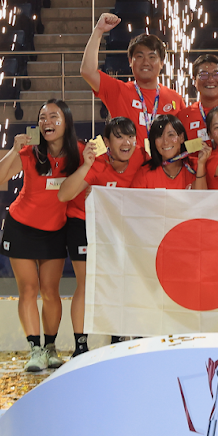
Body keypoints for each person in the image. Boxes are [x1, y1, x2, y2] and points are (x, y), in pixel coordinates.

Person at [0, 99, 82, 373]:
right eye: (42, 117)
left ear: (66, 121)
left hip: (55, 231)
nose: (47, 122)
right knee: (29, 290)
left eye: (54, 116)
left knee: (50, 291)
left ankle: (50, 348)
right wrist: (13, 151)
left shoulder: (78, 152)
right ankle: (35, 349)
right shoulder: (29, 152)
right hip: (21, 228)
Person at [58, 117, 147, 355]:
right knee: (86, 282)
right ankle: (80, 346)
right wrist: (86, 166)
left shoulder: (141, 155)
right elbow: (63, 195)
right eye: (119, 137)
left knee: (121, 280)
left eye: (130, 136)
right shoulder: (97, 162)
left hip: (117, 226)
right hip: (84, 223)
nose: (126, 142)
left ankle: (118, 337)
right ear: (106, 142)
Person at [81, 13, 184, 144]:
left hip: (164, 157)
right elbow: (87, 71)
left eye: (152, 57)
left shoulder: (175, 99)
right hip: (128, 157)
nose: (146, 62)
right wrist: (98, 30)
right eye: (139, 56)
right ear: (130, 61)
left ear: (162, 62)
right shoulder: (119, 91)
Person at [132, 115, 210, 190]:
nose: (165, 142)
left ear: (181, 137)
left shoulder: (196, 166)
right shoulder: (144, 173)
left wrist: (201, 165)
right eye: (159, 136)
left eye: (171, 135)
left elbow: (202, 197)